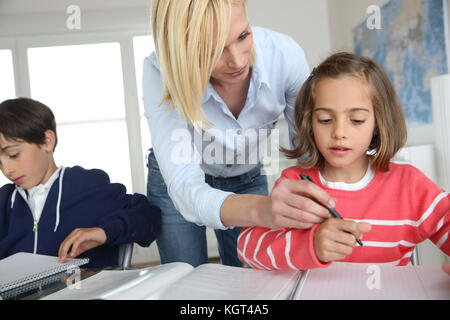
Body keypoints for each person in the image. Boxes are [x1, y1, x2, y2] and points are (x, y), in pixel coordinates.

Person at [143, 0, 334, 267]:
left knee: (250, 277)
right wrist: (261, 210)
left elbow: (307, 150)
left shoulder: (284, 56)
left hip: (247, 176)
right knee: (184, 277)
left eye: (243, 35)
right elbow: (186, 188)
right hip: (175, 183)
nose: (237, 60)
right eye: (212, 51)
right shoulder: (159, 71)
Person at [238, 52, 450, 270]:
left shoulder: (409, 184)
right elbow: (247, 249)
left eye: (357, 120)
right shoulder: (296, 184)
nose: (339, 132)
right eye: (325, 120)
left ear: (378, 122)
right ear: (310, 123)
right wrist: (310, 244)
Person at [0, 98, 161, 268]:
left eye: (13, 155)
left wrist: (104, 232)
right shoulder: (4, 202)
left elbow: (150, 217)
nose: (7, 170)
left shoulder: (87, 186)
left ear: (47, 141)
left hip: (81, 292)